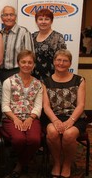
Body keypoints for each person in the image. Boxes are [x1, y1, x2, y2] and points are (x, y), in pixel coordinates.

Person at [43, 49, 86, 178]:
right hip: (53, 116)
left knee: (68, 134)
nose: (61, 63)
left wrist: (70, 121)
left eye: (65, 60)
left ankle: (67, 164)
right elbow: (46, 106)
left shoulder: (80, 80)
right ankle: (57, 163)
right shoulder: (45, 82)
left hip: (75, 117)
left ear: (70, 63)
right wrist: (55, 121)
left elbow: (81, 105)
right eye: (58, 60)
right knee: (52, 132)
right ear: (54, 62)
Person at [1, 50, 42, 178]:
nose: (26, 65)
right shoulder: (9, 81)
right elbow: (5, 105)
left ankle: (19, 164)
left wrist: (31, 118)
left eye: (30, 62)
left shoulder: (38, 84)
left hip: (31, 118)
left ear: (34, 65)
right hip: (11, 118)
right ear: (18, 63)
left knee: (35, 140)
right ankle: (25, 162)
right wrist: (15, 119)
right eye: (23, 62)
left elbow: (38, 106)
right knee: (19, 139)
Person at [0, 6, 34, 83]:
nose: (8, 18)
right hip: (0, 74)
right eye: (5, 15)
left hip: (17, 73)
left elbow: (30, 57)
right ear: (1, 18)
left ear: (15, 17)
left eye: (11, 15)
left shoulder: (24, 32)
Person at [32, 8, 67, 81]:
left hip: (52, 78)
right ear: (36, 21)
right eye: (40, 19)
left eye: (47, 19)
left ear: (51, 21)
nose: (43, 22)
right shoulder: (32, 36)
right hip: (33, 77)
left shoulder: (58, 37)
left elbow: (63, 59)